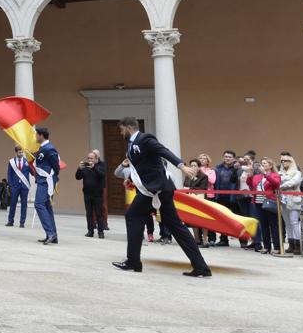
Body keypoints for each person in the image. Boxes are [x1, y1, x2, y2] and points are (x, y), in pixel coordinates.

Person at [112, 116, 212, 277]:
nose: (121, 133)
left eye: (122, 129)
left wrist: (182, 166)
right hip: (154, 189)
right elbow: (145, 167)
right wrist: (130, 180)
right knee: (175, 226)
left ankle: (133, 261)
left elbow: (163, 151)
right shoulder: (132, 145)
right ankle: (201, 267)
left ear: (128, 127)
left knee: (133, 216)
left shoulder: (145, 138)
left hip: (156, 190)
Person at [32, 128, 60, 244]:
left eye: (36, 135)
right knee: (47, 207)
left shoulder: (49, 148)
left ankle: (50, 233)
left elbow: (56, 166)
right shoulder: (43, 148)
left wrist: (52, 178)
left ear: (41, 135)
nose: (35, 137)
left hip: (46, 181)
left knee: (38, 204)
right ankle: (53, 234)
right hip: (42, 180)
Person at [249, 157, 281, 254]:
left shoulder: (275, 175)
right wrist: (250, 175)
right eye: (262, 164)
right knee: (263, 225)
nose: (263, 165)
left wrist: (266, 175)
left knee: (273, 225)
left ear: (270, 166)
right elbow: (250, 184)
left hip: (270, 202)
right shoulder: (257, 176)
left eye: (265, 163)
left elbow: (276, 184)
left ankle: (277, 246)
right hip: (258, 202)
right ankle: (267, 246)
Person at [75, 150, 107, 238]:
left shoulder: (100, 166)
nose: (89, 160)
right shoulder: (85, 167)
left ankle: (101, 232)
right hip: (87, 194)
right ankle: (90, 231)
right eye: (88, 158)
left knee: (99, 213)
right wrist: (79, 168)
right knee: (89, 213)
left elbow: (102, 175)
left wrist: (94, 168)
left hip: (97, 194)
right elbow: (77, 177)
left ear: (96, 159)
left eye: (91, 158)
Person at [277, 152, 303, 255]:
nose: (284, 163)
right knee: (287, 223)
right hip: (283, 199)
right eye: (282, 161)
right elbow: (276, 181)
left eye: (286, 161)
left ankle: (298, 244)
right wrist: (283, 181)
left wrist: (282, 184)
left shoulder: (297, 172)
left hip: (294, 199)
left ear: (291, 161)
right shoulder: (279, 172)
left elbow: (294, 182)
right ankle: (291, 244)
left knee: (294, 222)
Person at [6, 148, 31, 227]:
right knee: (13, 203)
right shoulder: (11, 162)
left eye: (22, 152)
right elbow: (9, 174)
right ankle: (10, 221)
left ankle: (22, 222)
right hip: (15, 186)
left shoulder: (27, 161)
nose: (21, 154)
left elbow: (32, 172)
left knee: (24, 204)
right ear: (16, 152)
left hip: (24, 186)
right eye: (19, 152)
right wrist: (11, 185)